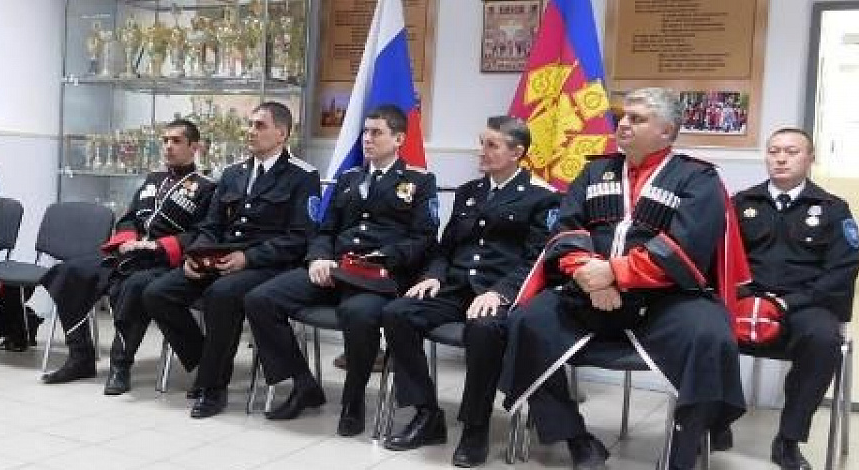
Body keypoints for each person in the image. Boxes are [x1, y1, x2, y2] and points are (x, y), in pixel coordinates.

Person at [500, 87, 746, 470]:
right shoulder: (594, 170)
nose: (623, 124)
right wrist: (589, 276)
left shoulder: (698, 178)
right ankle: (576, 438)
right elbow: (566, 231)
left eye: (637, 118)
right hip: (587, 289)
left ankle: (684, 451)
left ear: (666, 131)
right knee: (524, 322)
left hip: (666, 298)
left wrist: (615, 273)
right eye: (622, 117)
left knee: (712, 338)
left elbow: (686, 247)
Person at [245, 105, 438, 437]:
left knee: (358, 314)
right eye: (365, 132)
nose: (367, 139)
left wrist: (382, 257)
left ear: (398, 139)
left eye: (376, 133)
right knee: (260, 299)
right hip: (335, 269)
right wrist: (319, 257)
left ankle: (353, 400)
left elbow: (423, 239)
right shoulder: (349, 178)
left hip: (377, 277)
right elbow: (325, 230)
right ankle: (303, 384)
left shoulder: (419, 181)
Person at [381, 116, 559, 466]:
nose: (481, 151)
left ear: (516, 152)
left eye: (491, 145)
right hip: (458, 286)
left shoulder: (542, 197)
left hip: (499, 293)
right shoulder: (469, 192)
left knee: (483, 330)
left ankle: (475, 428)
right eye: (481, 143)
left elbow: (538, 259)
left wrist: (501, 293)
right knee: (397, 313)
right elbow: (446, 247)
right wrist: (434, 275)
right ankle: (426, 413)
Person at [0, 119, 215, 394]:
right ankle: (80, 357)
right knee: (69, 271)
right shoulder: (153, 180)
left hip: (164, 261)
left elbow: (201, 234)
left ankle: (120, 365)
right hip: (130, 255)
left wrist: (156, 246)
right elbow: (129, 217)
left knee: (133, 287)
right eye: (165, 141)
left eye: (176, 141)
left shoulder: (206, 187)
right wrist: (127, 240)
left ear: (194, 147)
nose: (168, 146)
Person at [144, 101, 320, 419]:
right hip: (223, 258)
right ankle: (206, 363)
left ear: (282, 133)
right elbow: (211, 225)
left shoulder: (302, 176)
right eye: (250, 124)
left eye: (260, 125)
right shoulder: (233, 173)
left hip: (268, 265)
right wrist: (195, 256)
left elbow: (299, 238)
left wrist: (247, 258)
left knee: (221, 295)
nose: (250, 131)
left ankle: (213, 388)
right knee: (158, 293)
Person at [717, 128, 859, 470]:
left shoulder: (832, 209)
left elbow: (843, 270)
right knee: (702, 329)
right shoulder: (741, 203)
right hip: (747, 299)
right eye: (774, 151)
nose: (781, 158)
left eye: (792, 152)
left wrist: (789, 303)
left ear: (810, 158)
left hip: (803, 305)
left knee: (823, 340)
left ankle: (789, 439)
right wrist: (743, 296)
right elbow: (720, 258)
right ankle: (715, 420)